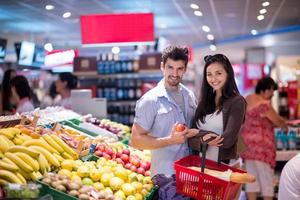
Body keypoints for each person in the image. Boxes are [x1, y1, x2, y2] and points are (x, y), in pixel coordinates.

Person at [130, 46, 198, 176]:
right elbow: (136, 139)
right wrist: (170, 140)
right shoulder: (150, 100)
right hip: (166, 175)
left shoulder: (189, 96)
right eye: (170, 67)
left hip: (190, 172)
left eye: (179, 69)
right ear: (162, 67)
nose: (175, 73)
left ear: (185, 69)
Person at [188, 54, 246, 165]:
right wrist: (203, 139)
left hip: (226, 167)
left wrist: (198, 133)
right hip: (202, 166)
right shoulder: (205, 101)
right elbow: (190, 140)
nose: (213, 79)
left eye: (218, 73)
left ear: (228, 74)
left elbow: (227, 140)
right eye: (209, 74)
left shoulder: (237, 102)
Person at [240, 77, 288, 200]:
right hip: (262, 148)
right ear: (266, 89)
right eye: (272, 91)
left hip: (247, 146)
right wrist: (285, 125)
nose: (272, 94)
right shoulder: (264, 104)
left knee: (251, 181)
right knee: (267, 181)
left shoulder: (246, 99)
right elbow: (278, 120)